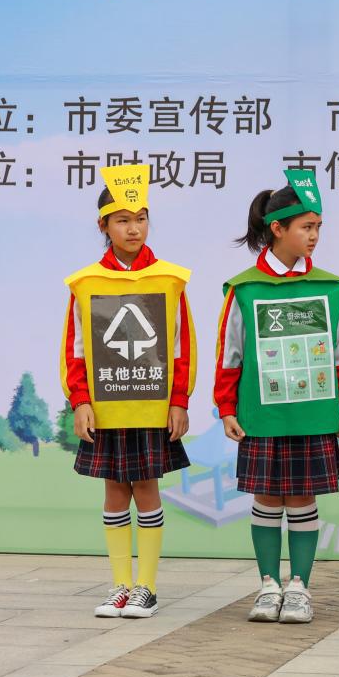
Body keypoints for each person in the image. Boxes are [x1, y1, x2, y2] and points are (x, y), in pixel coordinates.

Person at [214, 169, 339, 625]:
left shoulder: (329, 289)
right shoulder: (245, 289)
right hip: (262, 415)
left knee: (302, 499)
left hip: (313, 414)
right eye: (306, 227)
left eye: (318, 227)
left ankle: (299, 587)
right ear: (277, 229)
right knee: (267, 498)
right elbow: (230, 356)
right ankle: (267, 585)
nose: (314, 236)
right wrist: (226, 408)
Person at [61, 164, 197, 619]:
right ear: (103, 225)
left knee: (146, 486)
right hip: (107, 406)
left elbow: (182, 347)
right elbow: (75, 349)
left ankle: (147, 588)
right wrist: (80, 400)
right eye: (122, 220)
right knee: (115, 490)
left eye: (140, 218)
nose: (133, 228)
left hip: (152, 406)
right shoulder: (85, 283)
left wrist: (179, 401)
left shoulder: (170, 279)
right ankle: (120, 584)